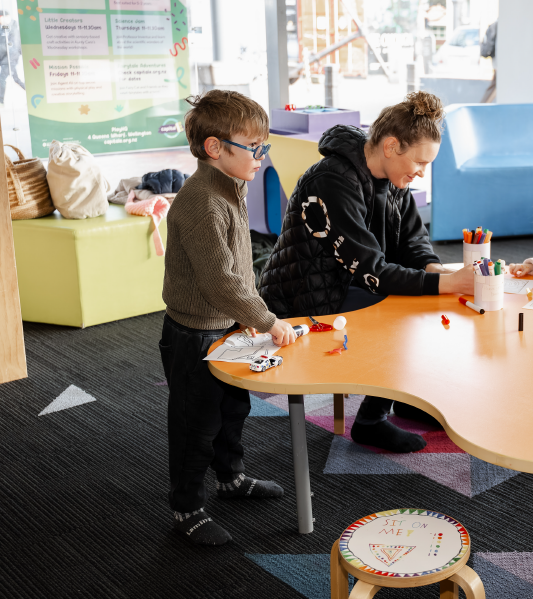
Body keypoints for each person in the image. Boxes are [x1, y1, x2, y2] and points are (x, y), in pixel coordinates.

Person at [258, 91, 474, 454]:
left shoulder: (393, 179)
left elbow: (414, 241)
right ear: (391, 146)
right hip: (304, 296)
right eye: (420, 162)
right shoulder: (330, 181)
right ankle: (371, 420)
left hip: (345, 284)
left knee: (430, 299)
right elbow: (372, 270)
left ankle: (404, 396)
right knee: (405, 309)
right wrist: (446, 281)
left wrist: (436, 269)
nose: (422, 172)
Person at [160, 90, 300, 546]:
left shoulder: (229, 186)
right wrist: (267, 320)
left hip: (227, 325)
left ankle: (231, 479)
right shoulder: (202, 200)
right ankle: (186, 507)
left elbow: (237, 271)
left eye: (265, 146)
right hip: (195, 334)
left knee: (232, 409)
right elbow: (221, 281)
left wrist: (247, 318)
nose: (261, 156)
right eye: (254, 147)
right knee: (195, 425)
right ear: (214, 148)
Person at [0, 10, 24, 105]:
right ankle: (1, 100)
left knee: (2, 78)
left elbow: (15, 45)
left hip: (9, 59)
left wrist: (10, 60)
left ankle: (1, 100)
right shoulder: (3, 28)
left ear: (5, 17)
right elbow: (3, 42)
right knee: (16, 79)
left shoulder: (13, 28)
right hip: (5, 58)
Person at [480, 21, 497, 103]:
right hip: (499, 64)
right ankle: (480, 109)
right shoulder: (497, 25)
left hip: (497, 63)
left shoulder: (495, 25)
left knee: (495, 86)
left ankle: (481, 108)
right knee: (494, 87)